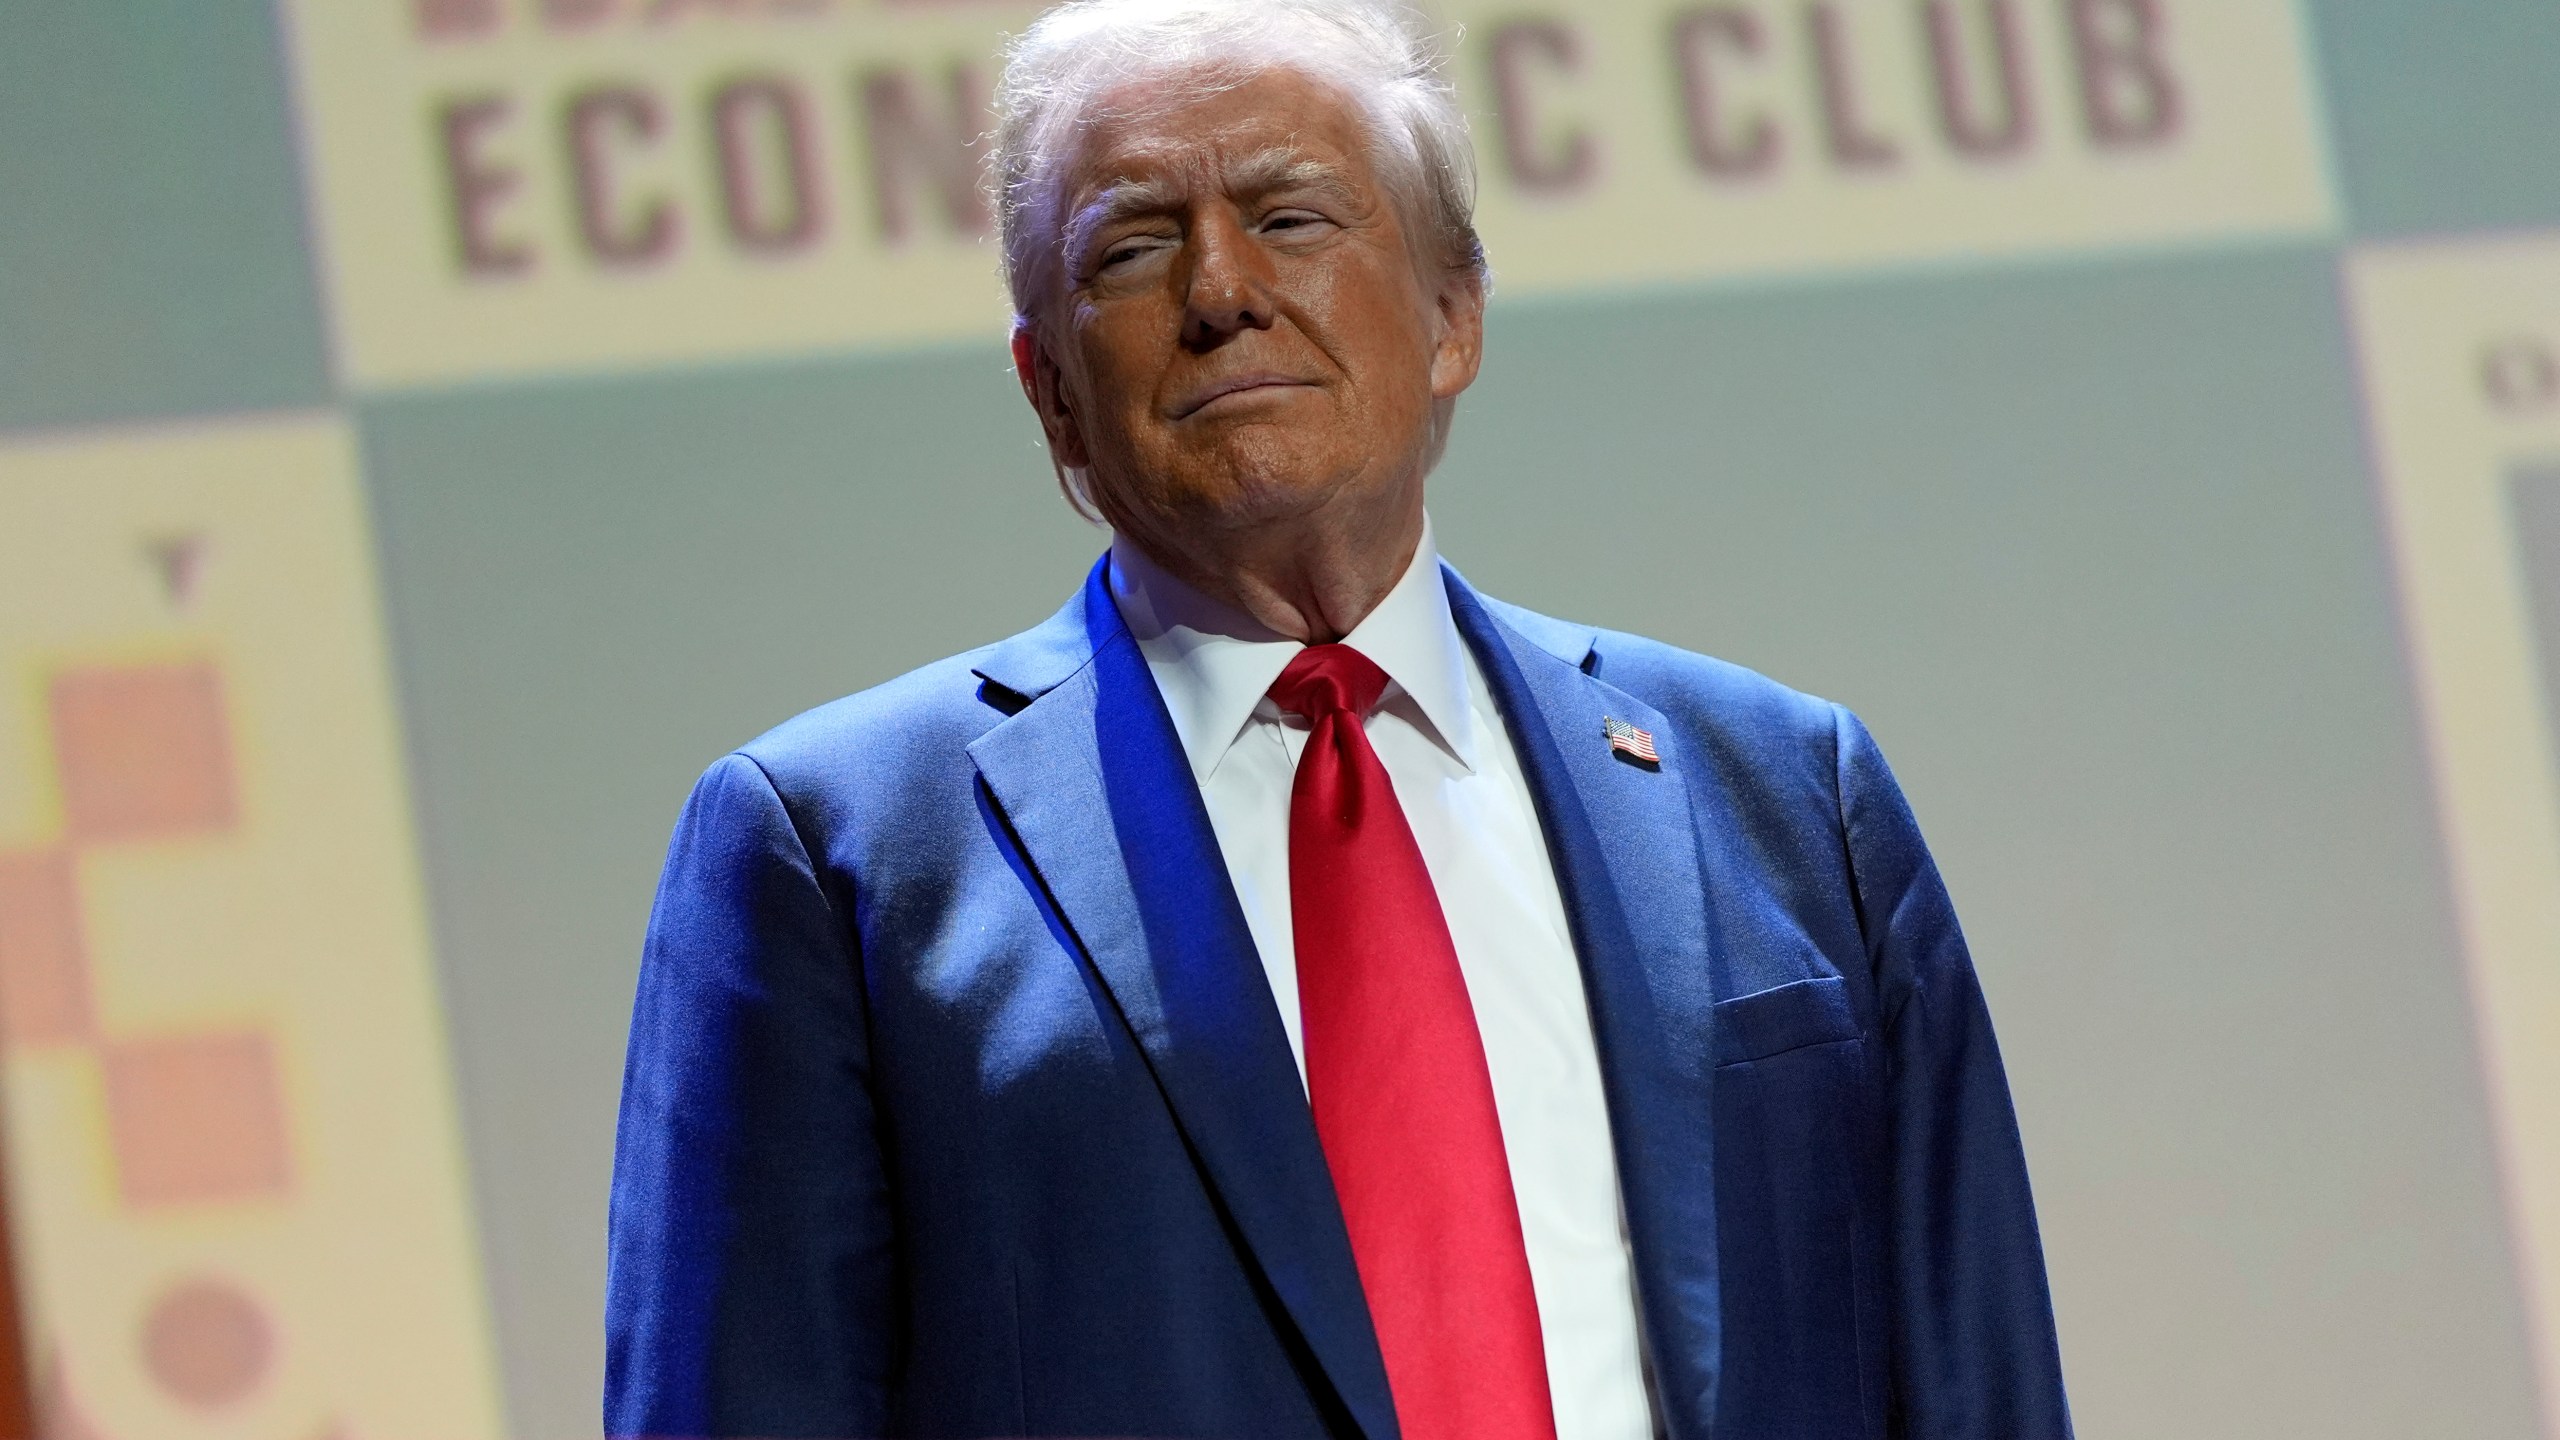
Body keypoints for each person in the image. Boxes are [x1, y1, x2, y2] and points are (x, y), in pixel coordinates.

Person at [603, 0, 2071, 1436]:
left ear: (1453, 315)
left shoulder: (1787, 794)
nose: (1221, 290)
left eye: (1293, 216)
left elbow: (1973, 1389)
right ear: (1049, 392)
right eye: (1131, 245)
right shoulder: (834, 855)